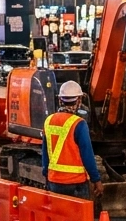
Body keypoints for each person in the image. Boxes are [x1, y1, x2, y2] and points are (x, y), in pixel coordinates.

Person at [41, 81, 103, 211]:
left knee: (59, 219)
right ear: (79, 100)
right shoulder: (79, 124)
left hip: (55, 182)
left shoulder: (49, 121)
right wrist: (96, 180)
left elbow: (45, 153)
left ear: (60, 100)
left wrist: (46, 174)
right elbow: (87, 154)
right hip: (76, 183)